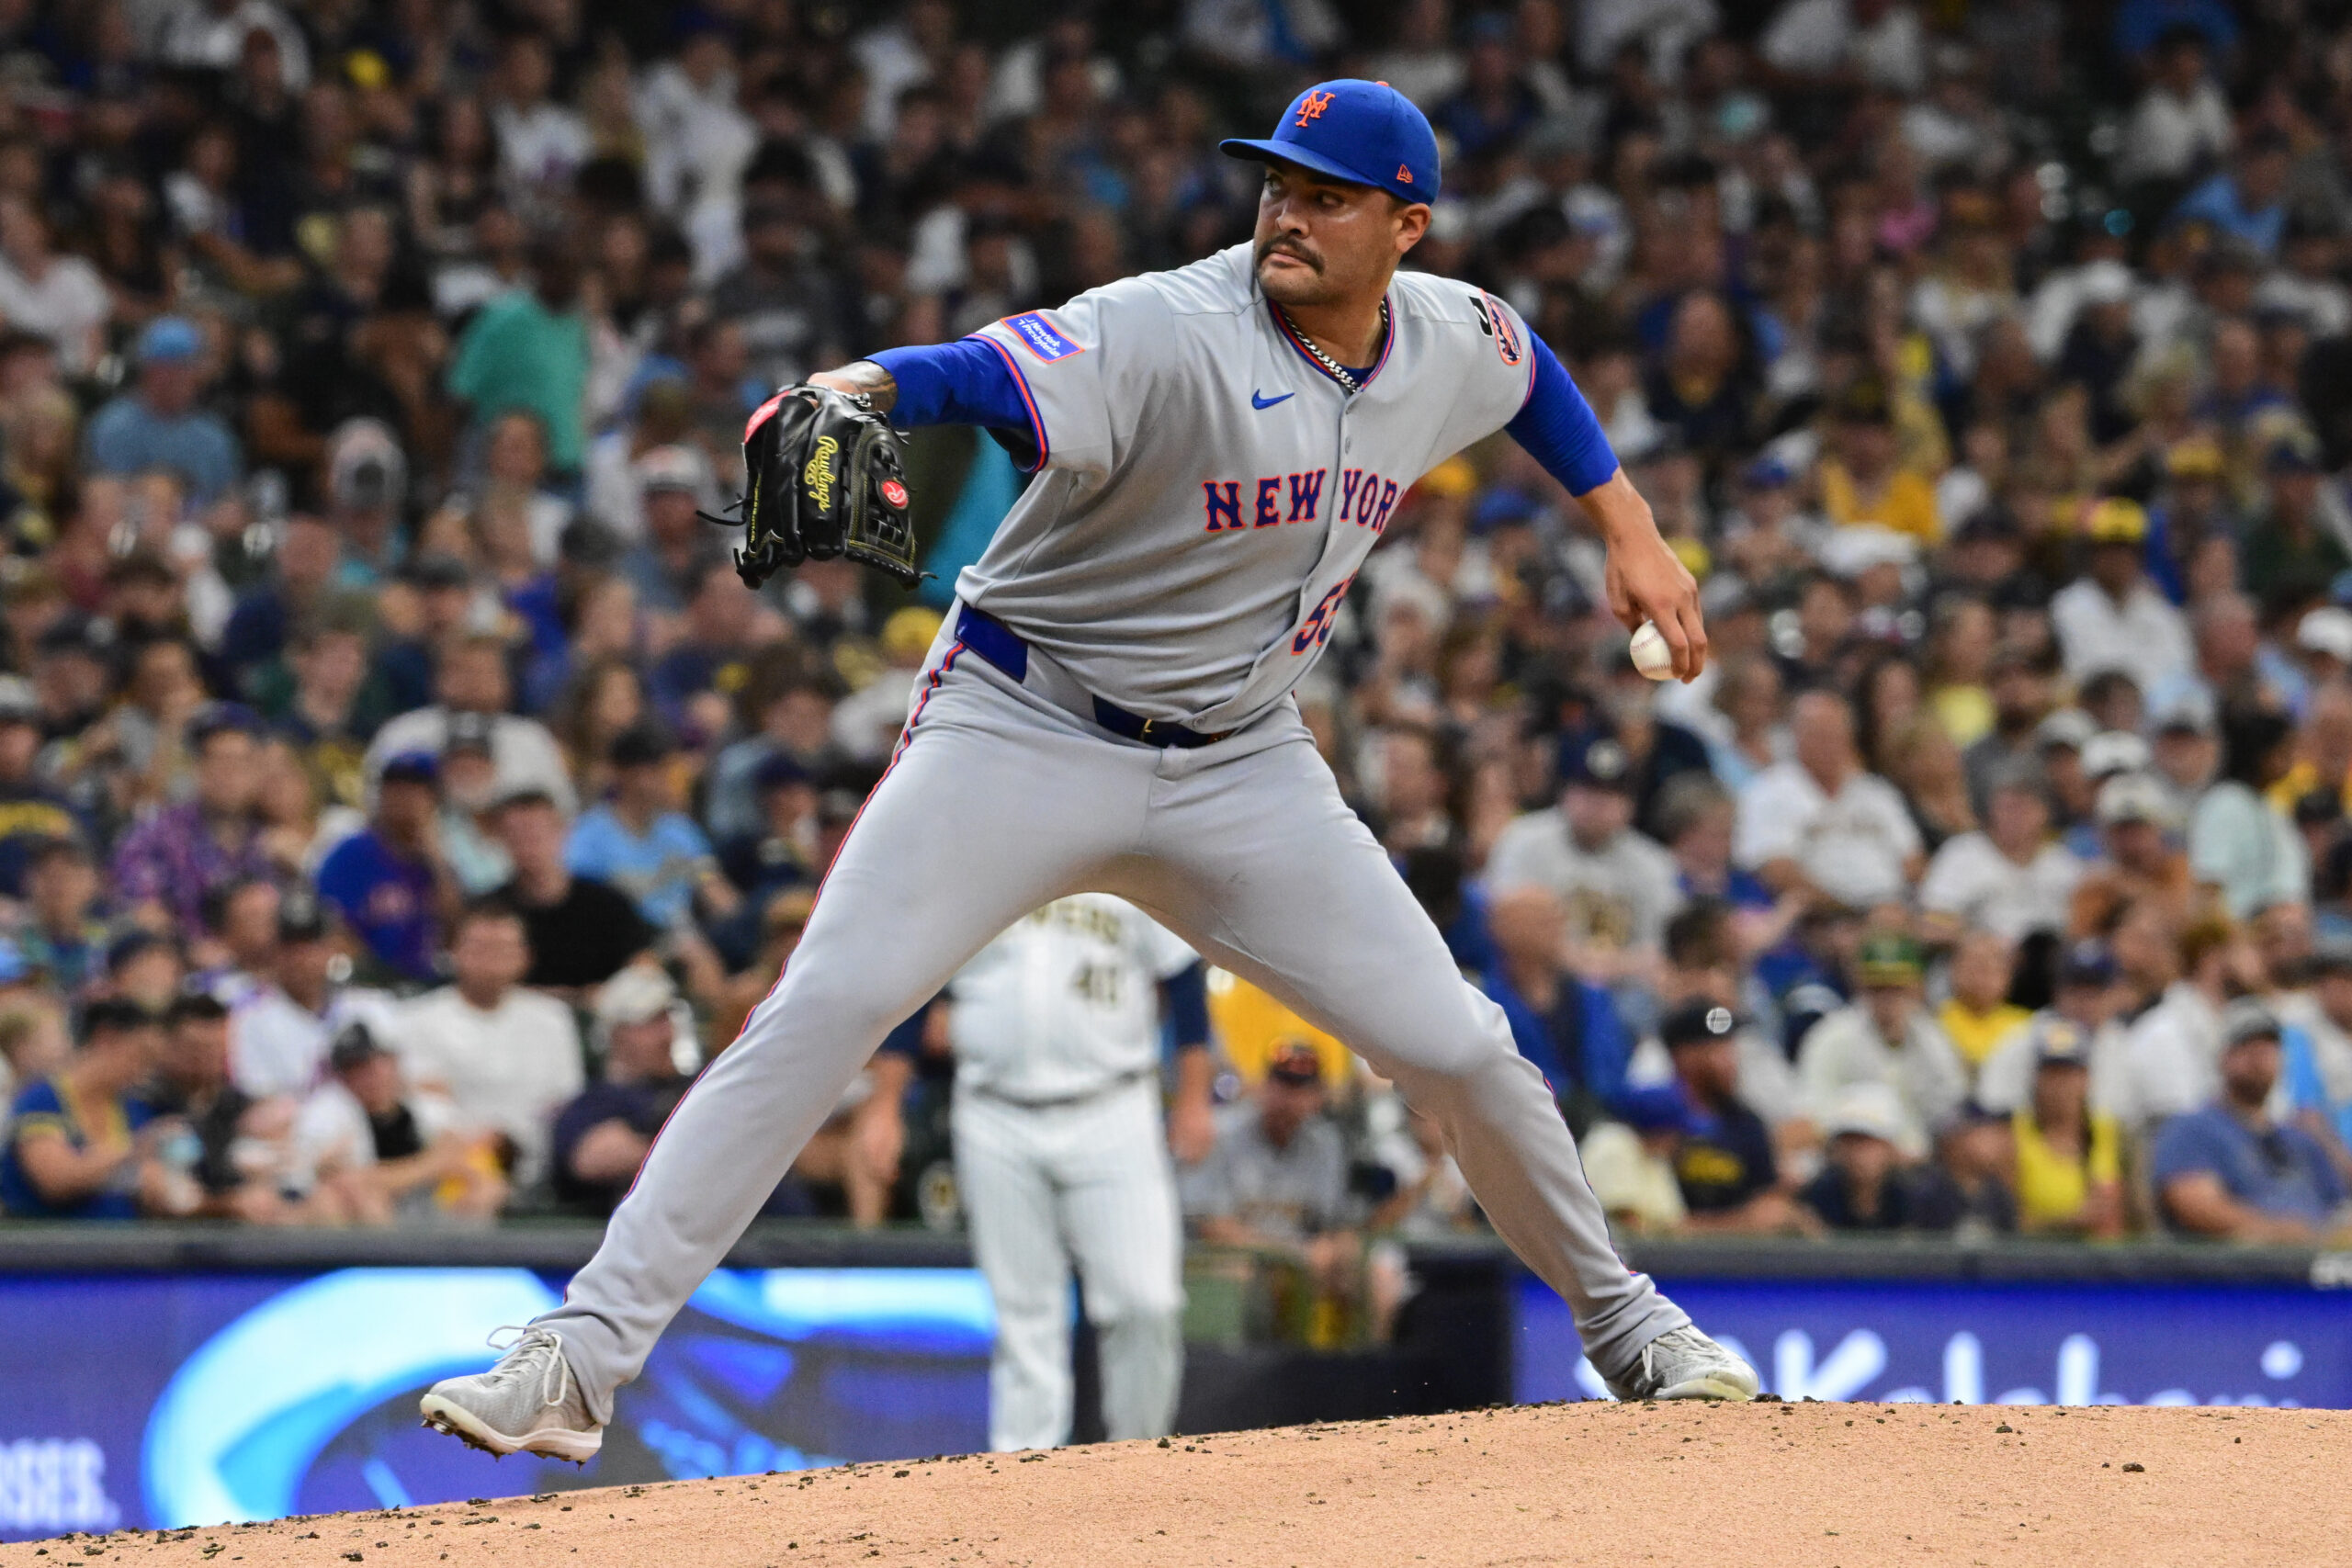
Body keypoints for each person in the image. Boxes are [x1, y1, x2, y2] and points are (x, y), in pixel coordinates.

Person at [424, 79, 1749, 1462]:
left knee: (1461, 1048)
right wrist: (854, 388)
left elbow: (1528, 366)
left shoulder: (1446, 337)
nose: (1286, 213)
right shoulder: (1162, 326)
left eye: (1327, 195)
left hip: (1243, 762)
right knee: (826, 1006)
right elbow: (977, 371)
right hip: (1025, 722)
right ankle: (579, 1355)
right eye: (1277, 185)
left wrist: (1630, 522)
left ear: (1406, 226)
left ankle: (1633, 1328)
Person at [927, 894, 1210, 1453]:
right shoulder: (977, 856)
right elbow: (913, 990)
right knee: (1025, 1318)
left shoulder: (1122, 847)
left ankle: (1141, 1464)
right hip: (993, 1111)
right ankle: (1023, 1484)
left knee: (1145, 1301)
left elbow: (1181, 974)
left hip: (1114, 1104)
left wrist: (1196, 1096)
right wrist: (887, 1100)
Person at [392, 898, 585, 1188]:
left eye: (503, 949)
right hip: (452, 1166)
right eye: (480, 948)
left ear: (526, 956)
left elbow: (564, 1101)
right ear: (453, 951)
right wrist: (476, 1141)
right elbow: (424, 1100)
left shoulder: (553, 1020)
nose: (491, 959)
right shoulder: (418, 1019)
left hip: (536, 1161)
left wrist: (511, 1139)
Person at [1486, 729, 1681, 976]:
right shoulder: (1524, 838)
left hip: (1625, 990)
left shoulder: (1653, 862)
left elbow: (1660, 947)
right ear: (1565, 792)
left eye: (1610, 795)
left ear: (1631, 805)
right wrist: (1578, 962)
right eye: (1588, 791)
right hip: (1543, 974)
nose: (1596, 805)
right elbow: (1509, 920)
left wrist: (1605, 968)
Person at [2153, 1001, 2346, 1241]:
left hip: (2318, 1267)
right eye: (2246, 1047)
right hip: (2241, 1270)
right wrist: (2281, 1233)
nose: (2258, 1058)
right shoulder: (2191, 1129)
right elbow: (2198, 1206)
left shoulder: (2301, 1138)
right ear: (2222, 1057)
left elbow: (2341, 1209)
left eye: (2268, 1048)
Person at [294, 1021, 509, 1223]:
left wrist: (469, 1175)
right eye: (357, 1067)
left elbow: (465, 1154)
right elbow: (355, 1182)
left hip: (429, 1212)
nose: (372, 1074)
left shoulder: (428, 1107)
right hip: (367, 1220)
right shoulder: (327, 1112)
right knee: (354, 1200)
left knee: (488, 1188)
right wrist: (432, 1164)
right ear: (342, 1076)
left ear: (394, 1063)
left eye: (379, 1062)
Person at [1795, 932, 1967, 1158]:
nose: (1888, 998)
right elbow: (1813, 1111)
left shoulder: (1934, 1040)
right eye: (1878, 987)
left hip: (1920, 1164)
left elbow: (1952, 1106)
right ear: (1861, 986)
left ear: (1916, 987)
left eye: (1897, 987)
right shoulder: (1830, 1037)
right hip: (1848, 1157)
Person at [109, 705, 278, 931]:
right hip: (182, 961)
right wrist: (190, 949)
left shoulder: (271, 842)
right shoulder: (156, 835)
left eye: (240, 762)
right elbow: (142, 913)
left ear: (258, 770)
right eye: (217, 760)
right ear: (197, 768)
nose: (228, 774)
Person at [225, 891, 400, 1102]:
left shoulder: (372, 1006)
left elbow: (412, 1081)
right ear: (273, 953)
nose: (303, 959)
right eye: (292, 948)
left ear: (331, 949)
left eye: (312, 946)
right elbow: (261, 1102)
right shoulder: (249, 1020)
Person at [0, 998, 166, 1220]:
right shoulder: (41, 1100)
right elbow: (56, 1180)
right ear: (106, 1039)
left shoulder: (135, 1110)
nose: (144, 1070)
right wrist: (132, 1149)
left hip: (124, 1248)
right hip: (49, 1248)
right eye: (141, 1055)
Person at [564, 725, 739, 934]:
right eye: (654, 770)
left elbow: (713, 888)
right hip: (621, 942)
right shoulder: (587, 837)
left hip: (683, 941)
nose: (665, 779)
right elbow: (581, 908)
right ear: (623, 773)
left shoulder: (680, 832)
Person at [550, 967, 697, 1217]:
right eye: (651, 1023)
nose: (666, 1034)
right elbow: (593, 1158)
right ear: (617, 1034)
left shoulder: (697, 1085)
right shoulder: (596, 1102)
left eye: (667, 1020)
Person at [1657, 1000, 1806, 1234]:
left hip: (1736, 1262)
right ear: (1683, 1055)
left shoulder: (1746, 1123)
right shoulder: (1656, 1119)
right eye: (1715, 1048)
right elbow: (1656, 1222)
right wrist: (1739, 1223)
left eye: (1729, 1047)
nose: (1729, 1060)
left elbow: (1766, 1209)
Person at [313, 751, 460, 984]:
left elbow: (457, 929)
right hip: (367, 984)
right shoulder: (350, 855)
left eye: (415, 790)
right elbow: (331, 931)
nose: (405, 799)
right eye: (395, 789)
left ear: (434, 798)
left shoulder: (437, 859)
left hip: (429, 984)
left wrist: (435, 857)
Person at [492, 789, 653, 995]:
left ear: (562, 832)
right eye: (516, 835)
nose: (527, 844)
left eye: (536, 833)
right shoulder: (490, 911)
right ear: (502, 840)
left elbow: (644, 966)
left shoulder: (607, 904)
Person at [81, 317, 242, 502]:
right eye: (162, 368)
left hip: (199, 527)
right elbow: (101, 499)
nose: (173, 378)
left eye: (182, 368)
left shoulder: (214, 436)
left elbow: (231, 503)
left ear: (198, 372)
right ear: (145, 370)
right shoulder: (112, 426)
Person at [2009, 1018, 2125, 1237]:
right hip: (2040, 1263)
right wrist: (2071, 1221)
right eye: (2051, 1073)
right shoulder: (2016, 1133)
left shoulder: (2107, 1130)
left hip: (2105, 1263)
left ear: (2086, 1078)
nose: (2060, 1085)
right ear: (2036, 1079)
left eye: (2069, 1073)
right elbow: (2007, 1224)